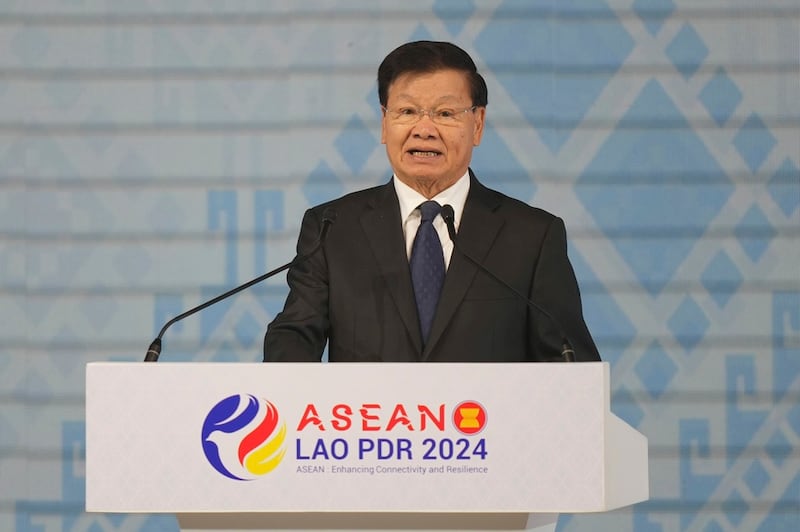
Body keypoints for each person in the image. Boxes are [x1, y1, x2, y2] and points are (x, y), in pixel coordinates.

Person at [263, 40, 600, 363]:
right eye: (407, 111)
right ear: (384, 123)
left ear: (478, 124)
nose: (424, 129)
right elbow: (294, 336)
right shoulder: (332, 228)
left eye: (445, 113)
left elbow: (567, 359)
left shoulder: (532, 236)